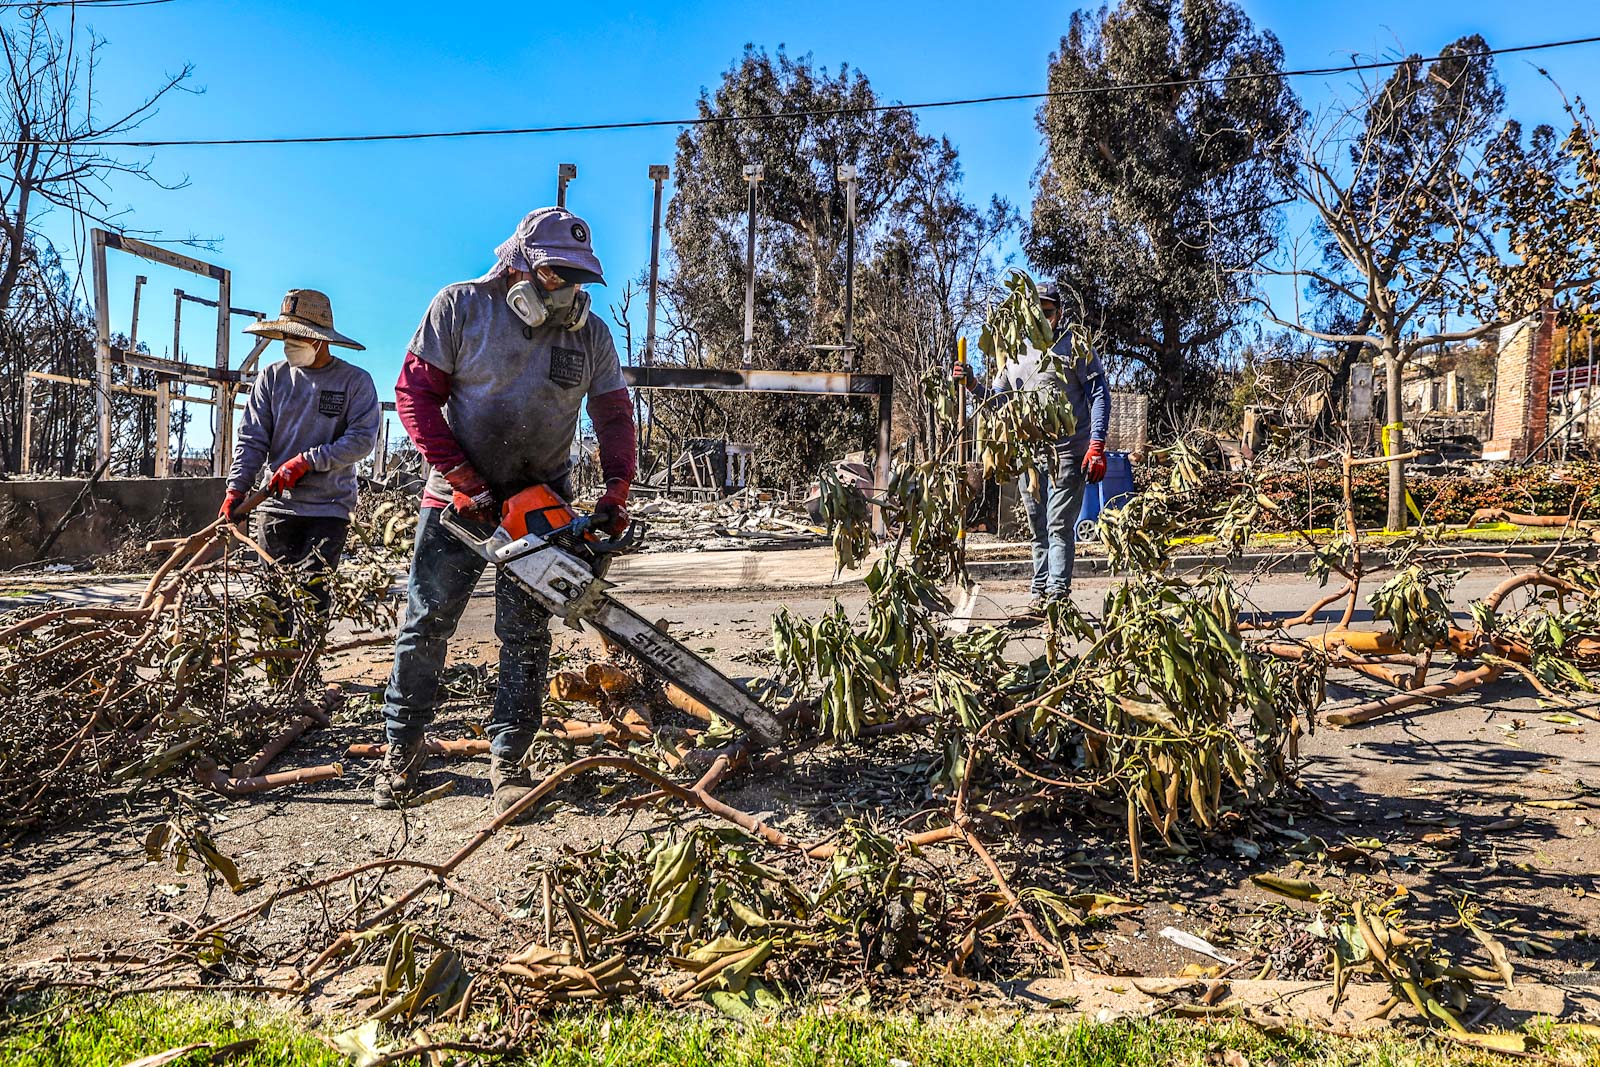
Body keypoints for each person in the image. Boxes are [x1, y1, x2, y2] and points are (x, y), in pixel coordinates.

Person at [379, 207, 637, 813]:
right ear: (518, 264)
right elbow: (413, 392)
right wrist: (461, 476)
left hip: (543, 501)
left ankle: (510, 759)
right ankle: (402, 749)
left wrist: (617, 488)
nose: (565, 289)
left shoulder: (589, 334)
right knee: (426, 623)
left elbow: (614, 413)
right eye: (554, 275)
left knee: (525, 634)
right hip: (458, 501)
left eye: (577, 279)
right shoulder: (461, 306)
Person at [222, 289, 381, 640]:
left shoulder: (354, 382)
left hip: (329, 508)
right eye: (286, 336)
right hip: (275, 508)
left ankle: (303, 674)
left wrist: (308, 462)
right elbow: (252, 438)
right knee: (273, 599)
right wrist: (237, 488)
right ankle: (281, 680)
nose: (289, 343)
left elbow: (361, 441)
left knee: (312, 598)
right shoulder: (272, 378)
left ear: (320, 340)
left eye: (298, 336)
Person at [956, 280, 1110, 610]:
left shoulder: (1076, 347)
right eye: (1036, 312)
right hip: (1030, 456)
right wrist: (972, 384)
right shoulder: (1015, 355)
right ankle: (1039, 593)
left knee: (1058, 524)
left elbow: (1099, 395)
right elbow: (1000, 402)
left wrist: (1097, 444)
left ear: (1060, 313)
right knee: (1038, 527)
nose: (1042, 319)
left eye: (1048, 312)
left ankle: (1056, 595)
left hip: (1070, 452)